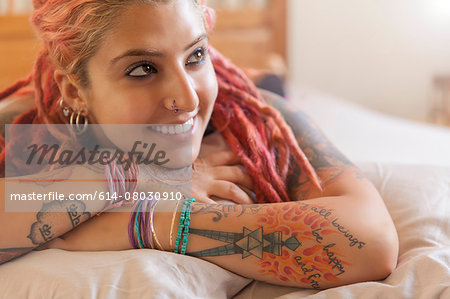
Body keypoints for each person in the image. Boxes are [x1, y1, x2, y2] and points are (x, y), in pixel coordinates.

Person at [0, 0, 398, 289]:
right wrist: (142, 177)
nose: (188, 99)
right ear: (74, 91)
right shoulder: (19, 123)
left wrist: (142, 222)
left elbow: (371, 242)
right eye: (143, 69)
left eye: (196, 55)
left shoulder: (255, 120)